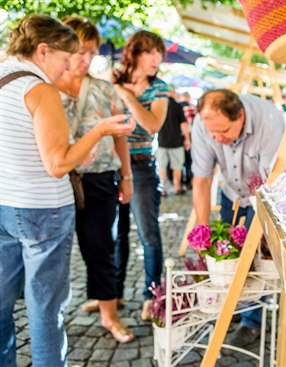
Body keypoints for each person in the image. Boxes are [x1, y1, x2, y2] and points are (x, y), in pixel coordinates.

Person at [0, 14, 133, 367]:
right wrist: (100, 130)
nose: (67, 68)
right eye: (65, 58)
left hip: (5, 204)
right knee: (46, 306)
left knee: (0, 300)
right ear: (43, 51)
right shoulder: (40, 88)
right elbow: (58, 164)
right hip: (43, 208)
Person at [54, 16, 134, 343]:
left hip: (100, 178)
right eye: (80, 51)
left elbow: (119, 138)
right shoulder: (43, 88)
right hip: (56, 180)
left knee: (101, 248)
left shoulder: (103, 89)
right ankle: (51, 319)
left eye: (92, 52)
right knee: (53, 253)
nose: (86, 59)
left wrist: (126, 177)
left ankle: (109, 315)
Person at [190, 89, 285, 346]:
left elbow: (270, 185)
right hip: (230, 191)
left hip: (265, 193)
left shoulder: (270, 121)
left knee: (254, 256)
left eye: (224, 132)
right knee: (227, 252)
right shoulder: (202, 123)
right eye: (213, 134)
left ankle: (251, 321)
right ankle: (233, 303)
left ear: (240, 116)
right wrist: (203, 231)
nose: (218, 139)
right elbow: (201, 179)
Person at [112, 30, 169, 321]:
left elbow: (151, 125)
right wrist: (119, 90)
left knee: (148, 235)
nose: (157, 59)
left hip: (143, 168)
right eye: (151, 52)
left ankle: (151, 296)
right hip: (112, 166)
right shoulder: (112, 80)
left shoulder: (159, 88)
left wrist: (126, 97)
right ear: (134, 53)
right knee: (116, 235)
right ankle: (114, 295)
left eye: (160, 53)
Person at [156, 93, 188, 196]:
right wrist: (187, 139)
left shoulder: (158, 105)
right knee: (177, 166)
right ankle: (176, 188)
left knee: (162, 166)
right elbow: (183, 124)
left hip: (162, 141)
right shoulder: (177, 106)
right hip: (176, 142)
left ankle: (163, 189)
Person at [178, 91, 196, 190]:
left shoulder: (177, 107)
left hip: (178, 137)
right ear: (188, 97)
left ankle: (179, 182)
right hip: (191, 136)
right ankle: (189, 181)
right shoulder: (192, 107)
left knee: (179, 161)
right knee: (189, 160)